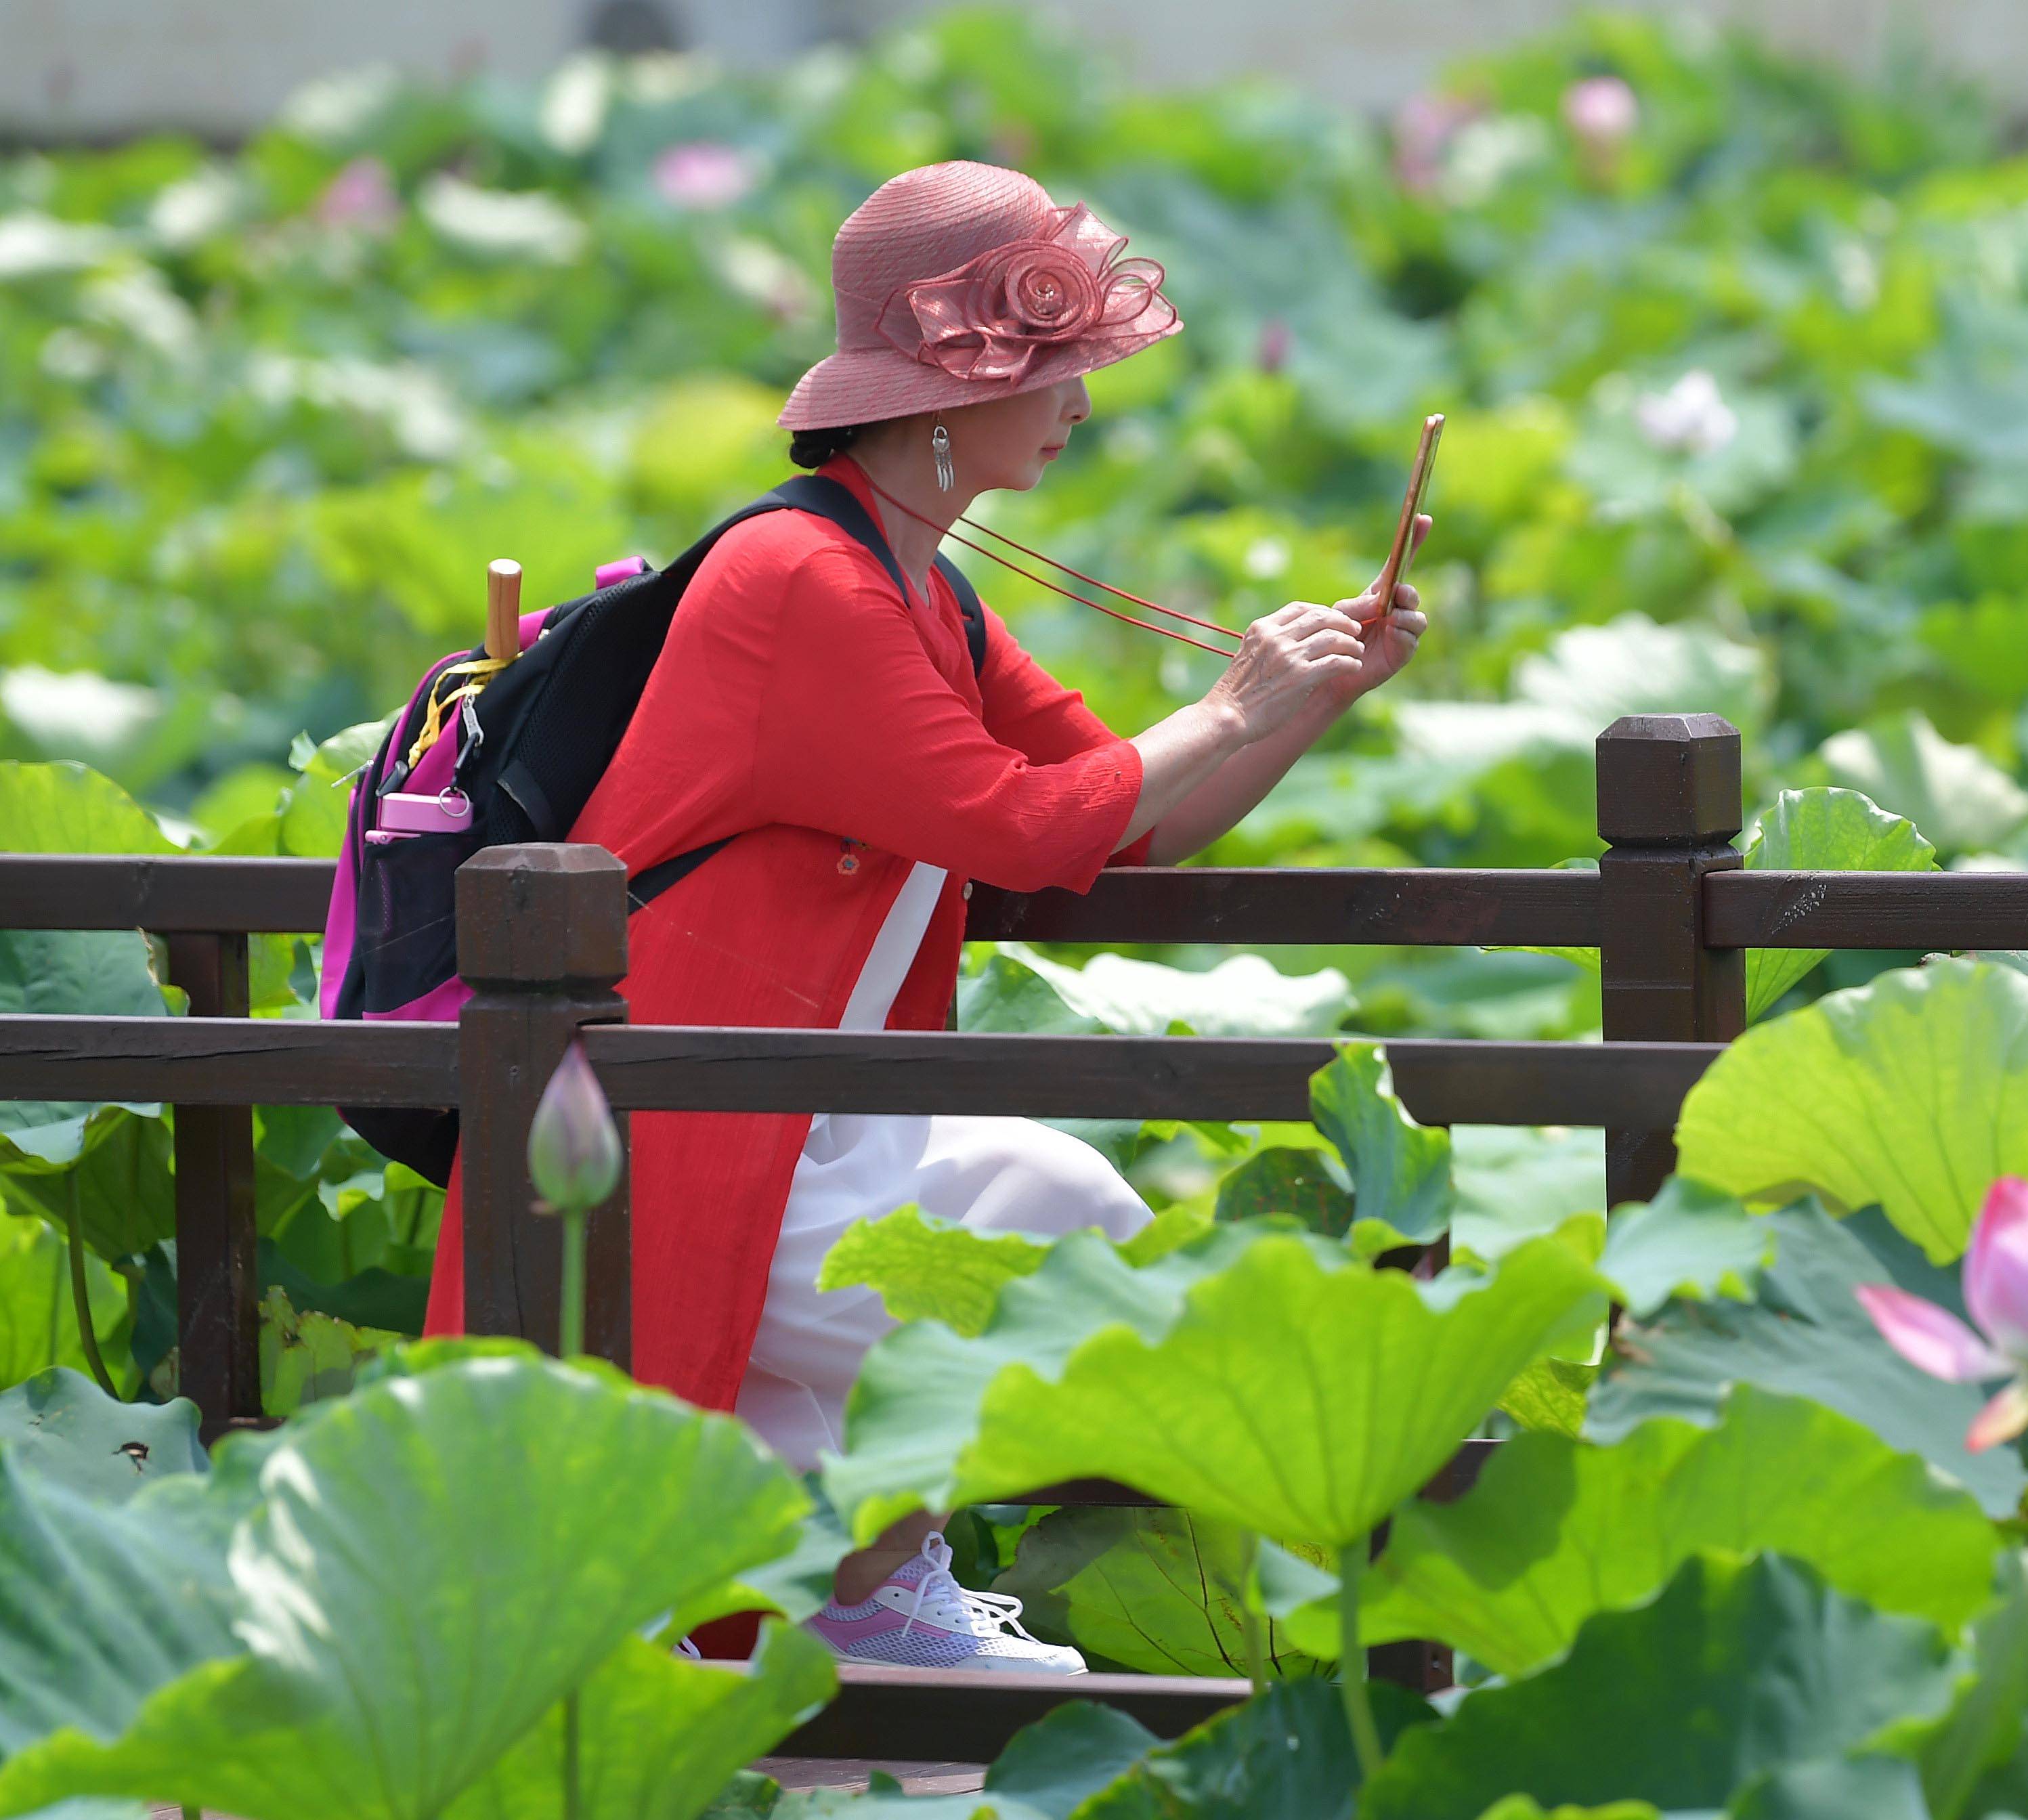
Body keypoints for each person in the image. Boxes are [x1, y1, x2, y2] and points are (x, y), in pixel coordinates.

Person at [420, 160, 1425, 1670]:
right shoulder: (794, 574)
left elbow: (1118, 817)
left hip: (804, 1103)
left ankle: (867, 1589)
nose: (1085, 394)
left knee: (1025, 1212)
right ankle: (869, 1588)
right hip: (686, 1116)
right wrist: (1230, 701)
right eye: (1062, 361)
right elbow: (1014, 818)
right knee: (1056, 1219)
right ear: (945, 391)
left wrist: (1314, 700)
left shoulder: (919, 581)